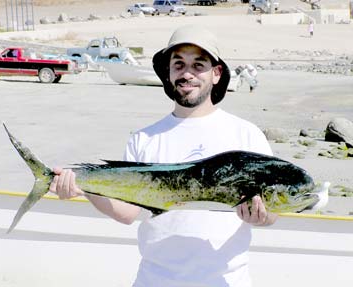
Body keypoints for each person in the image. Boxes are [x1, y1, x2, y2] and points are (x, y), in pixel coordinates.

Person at [49, 25, 278, 287]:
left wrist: (262, 216)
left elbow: (272, 213)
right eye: (178, 64)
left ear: (216, 74)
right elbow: (128, 212)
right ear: (168, 73)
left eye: (198, 65)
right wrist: (84, 188)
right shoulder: (144, 139)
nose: (187, 73)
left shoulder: (246, 135)